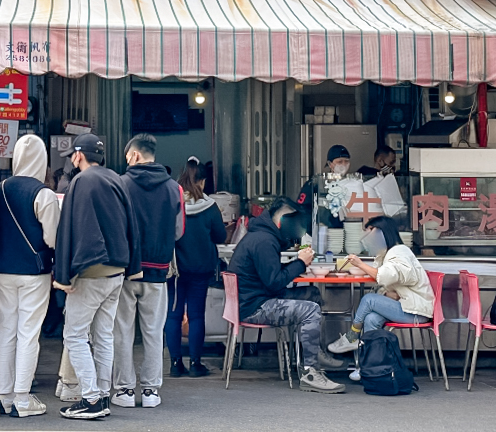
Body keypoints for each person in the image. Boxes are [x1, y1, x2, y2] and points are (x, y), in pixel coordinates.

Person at [55, 133, 141, 420]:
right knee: (104, 335)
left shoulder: (81, 182)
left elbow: (69, 228)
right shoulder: (117, 179)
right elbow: (132, 224)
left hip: (91, 271)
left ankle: (91, 398)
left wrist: (63, 275)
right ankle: (102, 394)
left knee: (75, 335)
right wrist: (134, 265)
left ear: (78, 155)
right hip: (117, 270)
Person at [228, 197, 346, 394]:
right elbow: (273, 282)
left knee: (312, 293)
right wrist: (299, 263)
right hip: (255, 307)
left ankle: (314, 351)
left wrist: (295, 266)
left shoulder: (262, 236)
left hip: (255, 298)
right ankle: (310, 372)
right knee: (310, 310)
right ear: (283, 220)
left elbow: (269, 275)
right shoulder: (264, 241)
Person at [0, 134, 61, 418]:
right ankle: (22, 396)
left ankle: (4, 395)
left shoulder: (0, 190)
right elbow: (52, 237)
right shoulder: (43, 194)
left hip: (1, 270)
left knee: (5, 331)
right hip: (34, 272)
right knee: (28, 333)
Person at [112, 134, 183, 409]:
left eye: (128, 155)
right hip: (158, 271)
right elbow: (178, 231)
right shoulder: (174, 188)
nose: (126, 160)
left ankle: (125, 391)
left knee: (122, 331)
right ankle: (151, 391)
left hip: (126, 270)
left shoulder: (120, 184)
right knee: (154, 332)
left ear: (136, 155)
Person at [326, 216, 433, 357]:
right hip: (406, 307)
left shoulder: (399, 252)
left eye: (370, 231)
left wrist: (360, 264)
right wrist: (387, 294)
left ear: (381, 232)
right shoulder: (388, 253)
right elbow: (390, 282)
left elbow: (388, 276)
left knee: (369, 299)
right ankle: (371, 365)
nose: (367, 237)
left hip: (416, 312)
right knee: (371, 319)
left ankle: (352, 336)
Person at [166, 157, 227, 377]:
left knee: (172, 315)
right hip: (201, 269)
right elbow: (220, 236)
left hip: (175, 270)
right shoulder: (210, 207)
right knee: (196, 315)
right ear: (201, 181)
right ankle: (195, 364)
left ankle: (175, 365)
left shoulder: (173, 204)